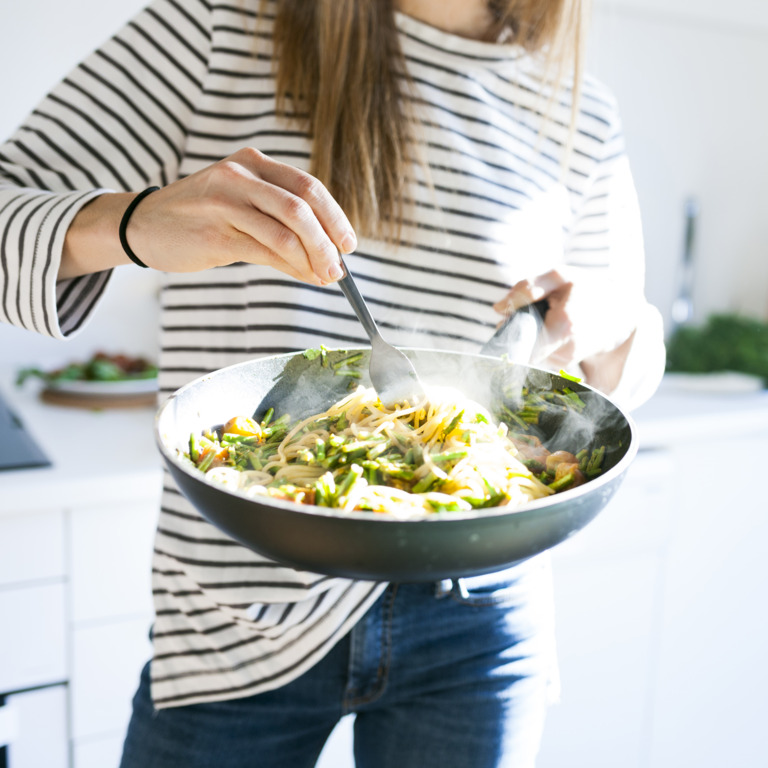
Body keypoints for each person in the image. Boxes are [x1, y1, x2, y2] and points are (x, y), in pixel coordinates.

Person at [0, 0, 665, 765]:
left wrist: (618, 322)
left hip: (479, 610)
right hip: (238, 609)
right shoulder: (218, 26)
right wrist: (133, 222)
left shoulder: (578, 109)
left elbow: (626, 376)